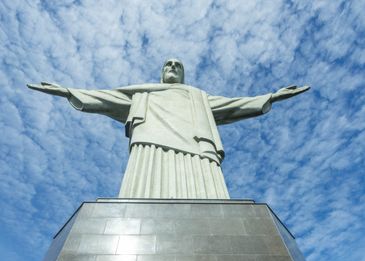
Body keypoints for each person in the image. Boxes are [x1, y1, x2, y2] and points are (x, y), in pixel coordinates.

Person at [27, 59, 309, 200]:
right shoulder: (142, 93)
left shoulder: (197, 97)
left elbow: (234, 105)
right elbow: (104, 97)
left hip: (196, 149)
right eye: (168, 64)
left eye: (177, 65)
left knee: (207, 196)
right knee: (142, 192)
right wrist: (67, 91)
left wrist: (270, 97)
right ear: (162, 72)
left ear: (183, 74)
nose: (172, 67)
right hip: (149, 145)